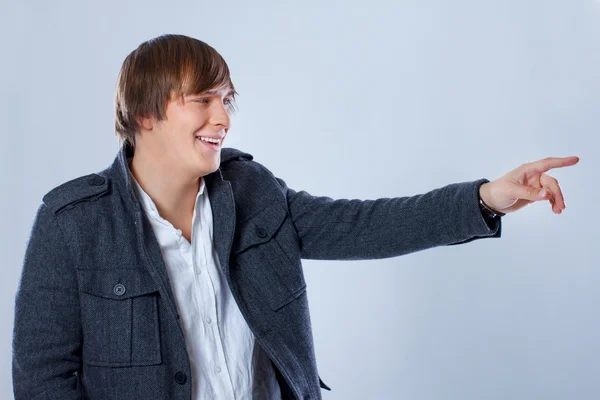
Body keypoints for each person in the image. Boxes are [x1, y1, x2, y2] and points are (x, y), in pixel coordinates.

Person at [12, 34, 579, 400]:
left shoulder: (250, 191)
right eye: (203, 100)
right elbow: (42, 382)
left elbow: (364, 225)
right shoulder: (72, 225)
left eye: (226, 99)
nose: (222, 118)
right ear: (144, 112)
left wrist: (484, 197)